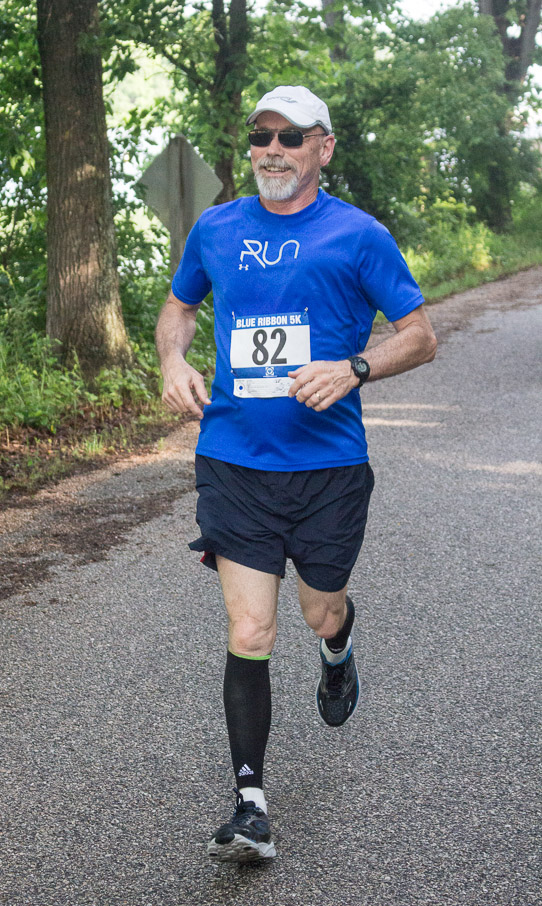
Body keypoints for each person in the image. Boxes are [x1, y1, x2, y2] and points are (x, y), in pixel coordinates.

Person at [156, 85, 437, 863]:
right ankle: (250, 807)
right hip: (234, 460)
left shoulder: (359, 235)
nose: (272, 150)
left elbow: (420, 335)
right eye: (262, 136)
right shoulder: (217, 229)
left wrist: (354, 367)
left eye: (290, 136)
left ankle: (339, 649)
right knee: (250, 629)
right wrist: (172, 359)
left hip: (328, 469)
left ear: (323, 146)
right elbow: (179, 308)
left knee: (320, 611)